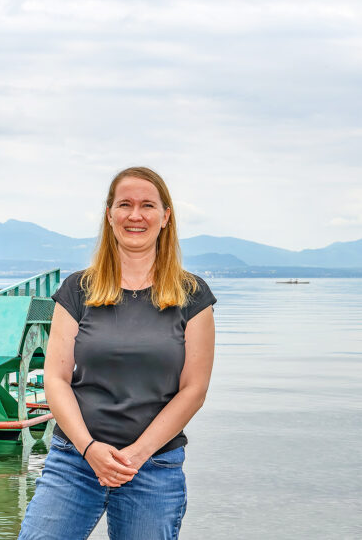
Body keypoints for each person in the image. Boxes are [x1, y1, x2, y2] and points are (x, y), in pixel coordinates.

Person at [18, 167, 216, 540]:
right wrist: (89, 448)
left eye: (147, 205)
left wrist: (137, 454)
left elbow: (194, 390)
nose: (135, 215)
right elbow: (56, 378)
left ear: (165, 216)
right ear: (110, 215)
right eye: (124, 204)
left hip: (154, 463)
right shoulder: (78, 289)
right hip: (75, 458)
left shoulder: (193, 295)